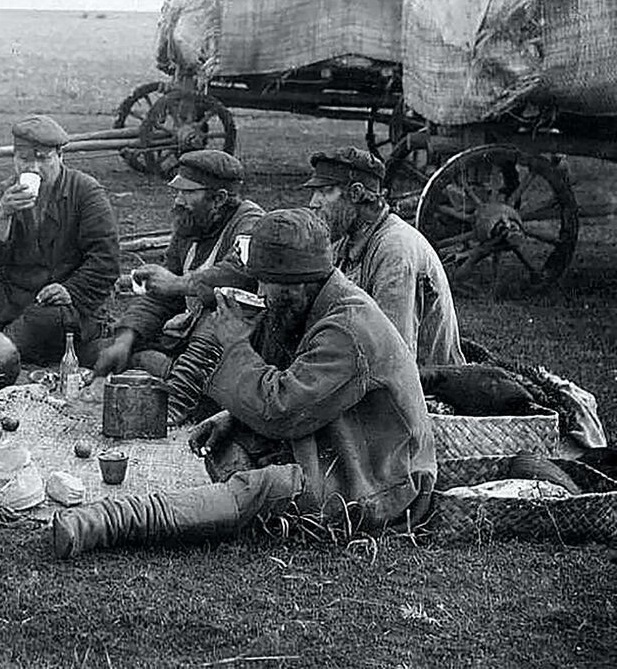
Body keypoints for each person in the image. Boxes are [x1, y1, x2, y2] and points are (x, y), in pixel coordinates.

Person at [52, 208, 436, 559]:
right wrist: (231, 417)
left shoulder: (348, 328)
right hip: (334, 438)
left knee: (262, 489)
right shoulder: (314, 304)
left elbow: (280, 411)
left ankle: (106, 521)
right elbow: (292, 382)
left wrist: (234, 344)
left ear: (302, 284)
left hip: (379, 475)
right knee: (230, 450)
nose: (263, 294)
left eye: (271, 285)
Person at [93, 149, 263, 422]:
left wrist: (179, 284)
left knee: (219, 312)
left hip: (237, 342)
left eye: (187, 192)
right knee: (118, 351)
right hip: (190, 338)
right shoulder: (191, 224)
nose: (178, 200)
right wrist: (126, 339)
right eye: (178, 191)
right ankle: (185, 379)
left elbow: (238, 275)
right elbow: (159, 292)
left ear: (218, 198)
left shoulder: (250, 224)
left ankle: (182, 396)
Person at [0, 114, 120, 365]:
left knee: (39, 324)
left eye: (43, 159)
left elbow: (106, 261)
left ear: (60, 156)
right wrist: (1, 215)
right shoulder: (4, 193)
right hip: (16, 293)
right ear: (14, 158)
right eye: (24, 159)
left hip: (68, 302)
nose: (33, 168)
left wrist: (70, 289)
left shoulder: (85, 192)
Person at [304, 146, 465, 366]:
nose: (314, 202)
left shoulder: (395, 250)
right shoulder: (346, 240)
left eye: (325, 191)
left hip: (424, 387)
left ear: (356, 193)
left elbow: (394, 356)